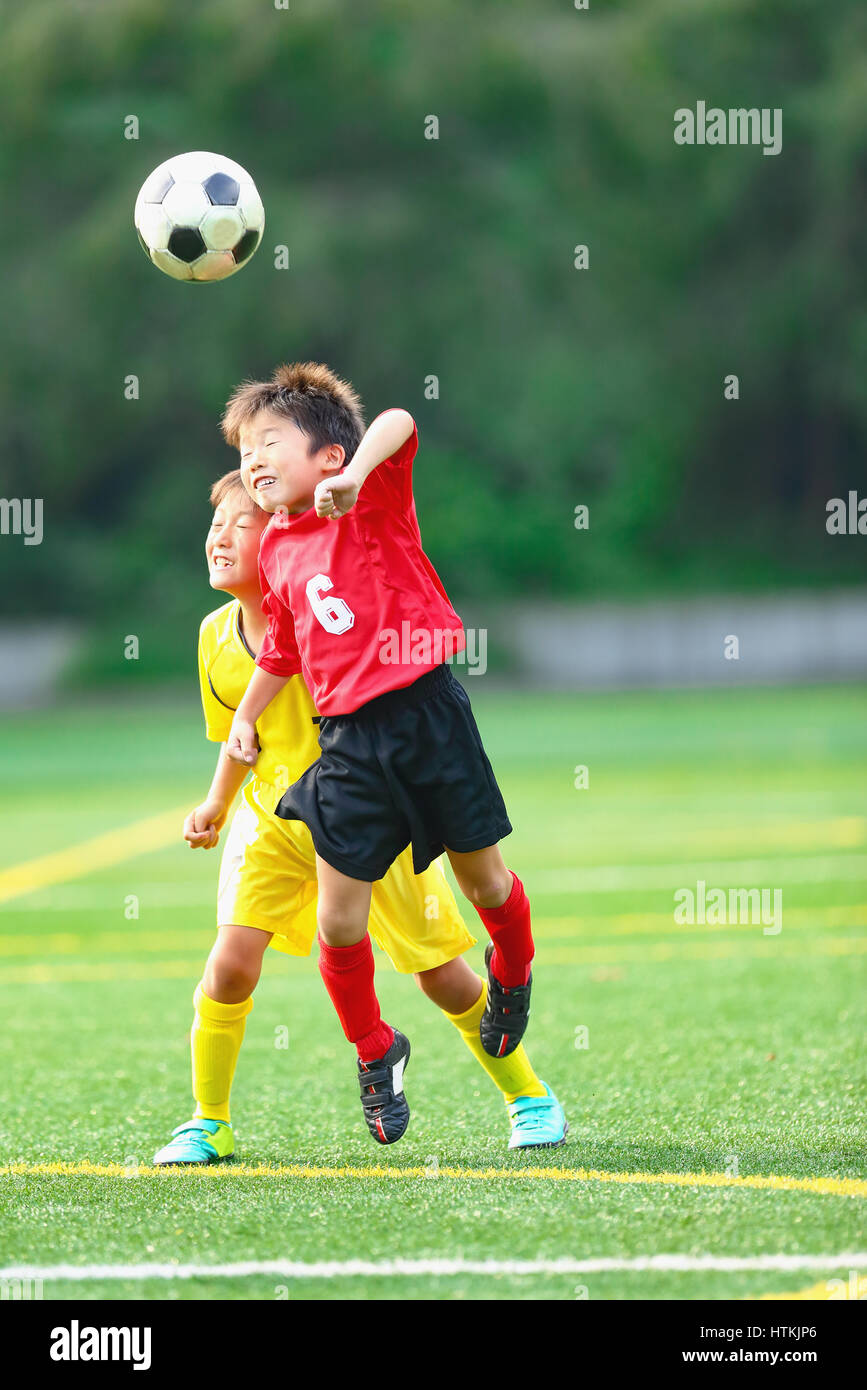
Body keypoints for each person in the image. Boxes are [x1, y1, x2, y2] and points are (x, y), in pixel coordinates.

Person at [153, 469, 566, 1163]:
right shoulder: (211, 636)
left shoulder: (327, 621)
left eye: (240, 524)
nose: (220, 537)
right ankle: (209, 1121)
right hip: (271, 821)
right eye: (214, 524)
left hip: (367, 815)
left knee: (442, 975)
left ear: (282, 537)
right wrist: (217, 803)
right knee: (228, 967)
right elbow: (237, 734)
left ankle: (528, 1097)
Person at [224, 362, 549, 1145]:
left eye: (270, 443)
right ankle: (376, 1050)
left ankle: (512, 966)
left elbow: (400, 416)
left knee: (484, 880)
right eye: (243, 453)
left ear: (327, 457)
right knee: (339, 923)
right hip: (348, 745)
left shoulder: (369, 496)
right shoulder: (275, 552)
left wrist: (360, 472)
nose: (254, 461)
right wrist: (248, 717)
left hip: (427, 718)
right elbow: (285, 650)